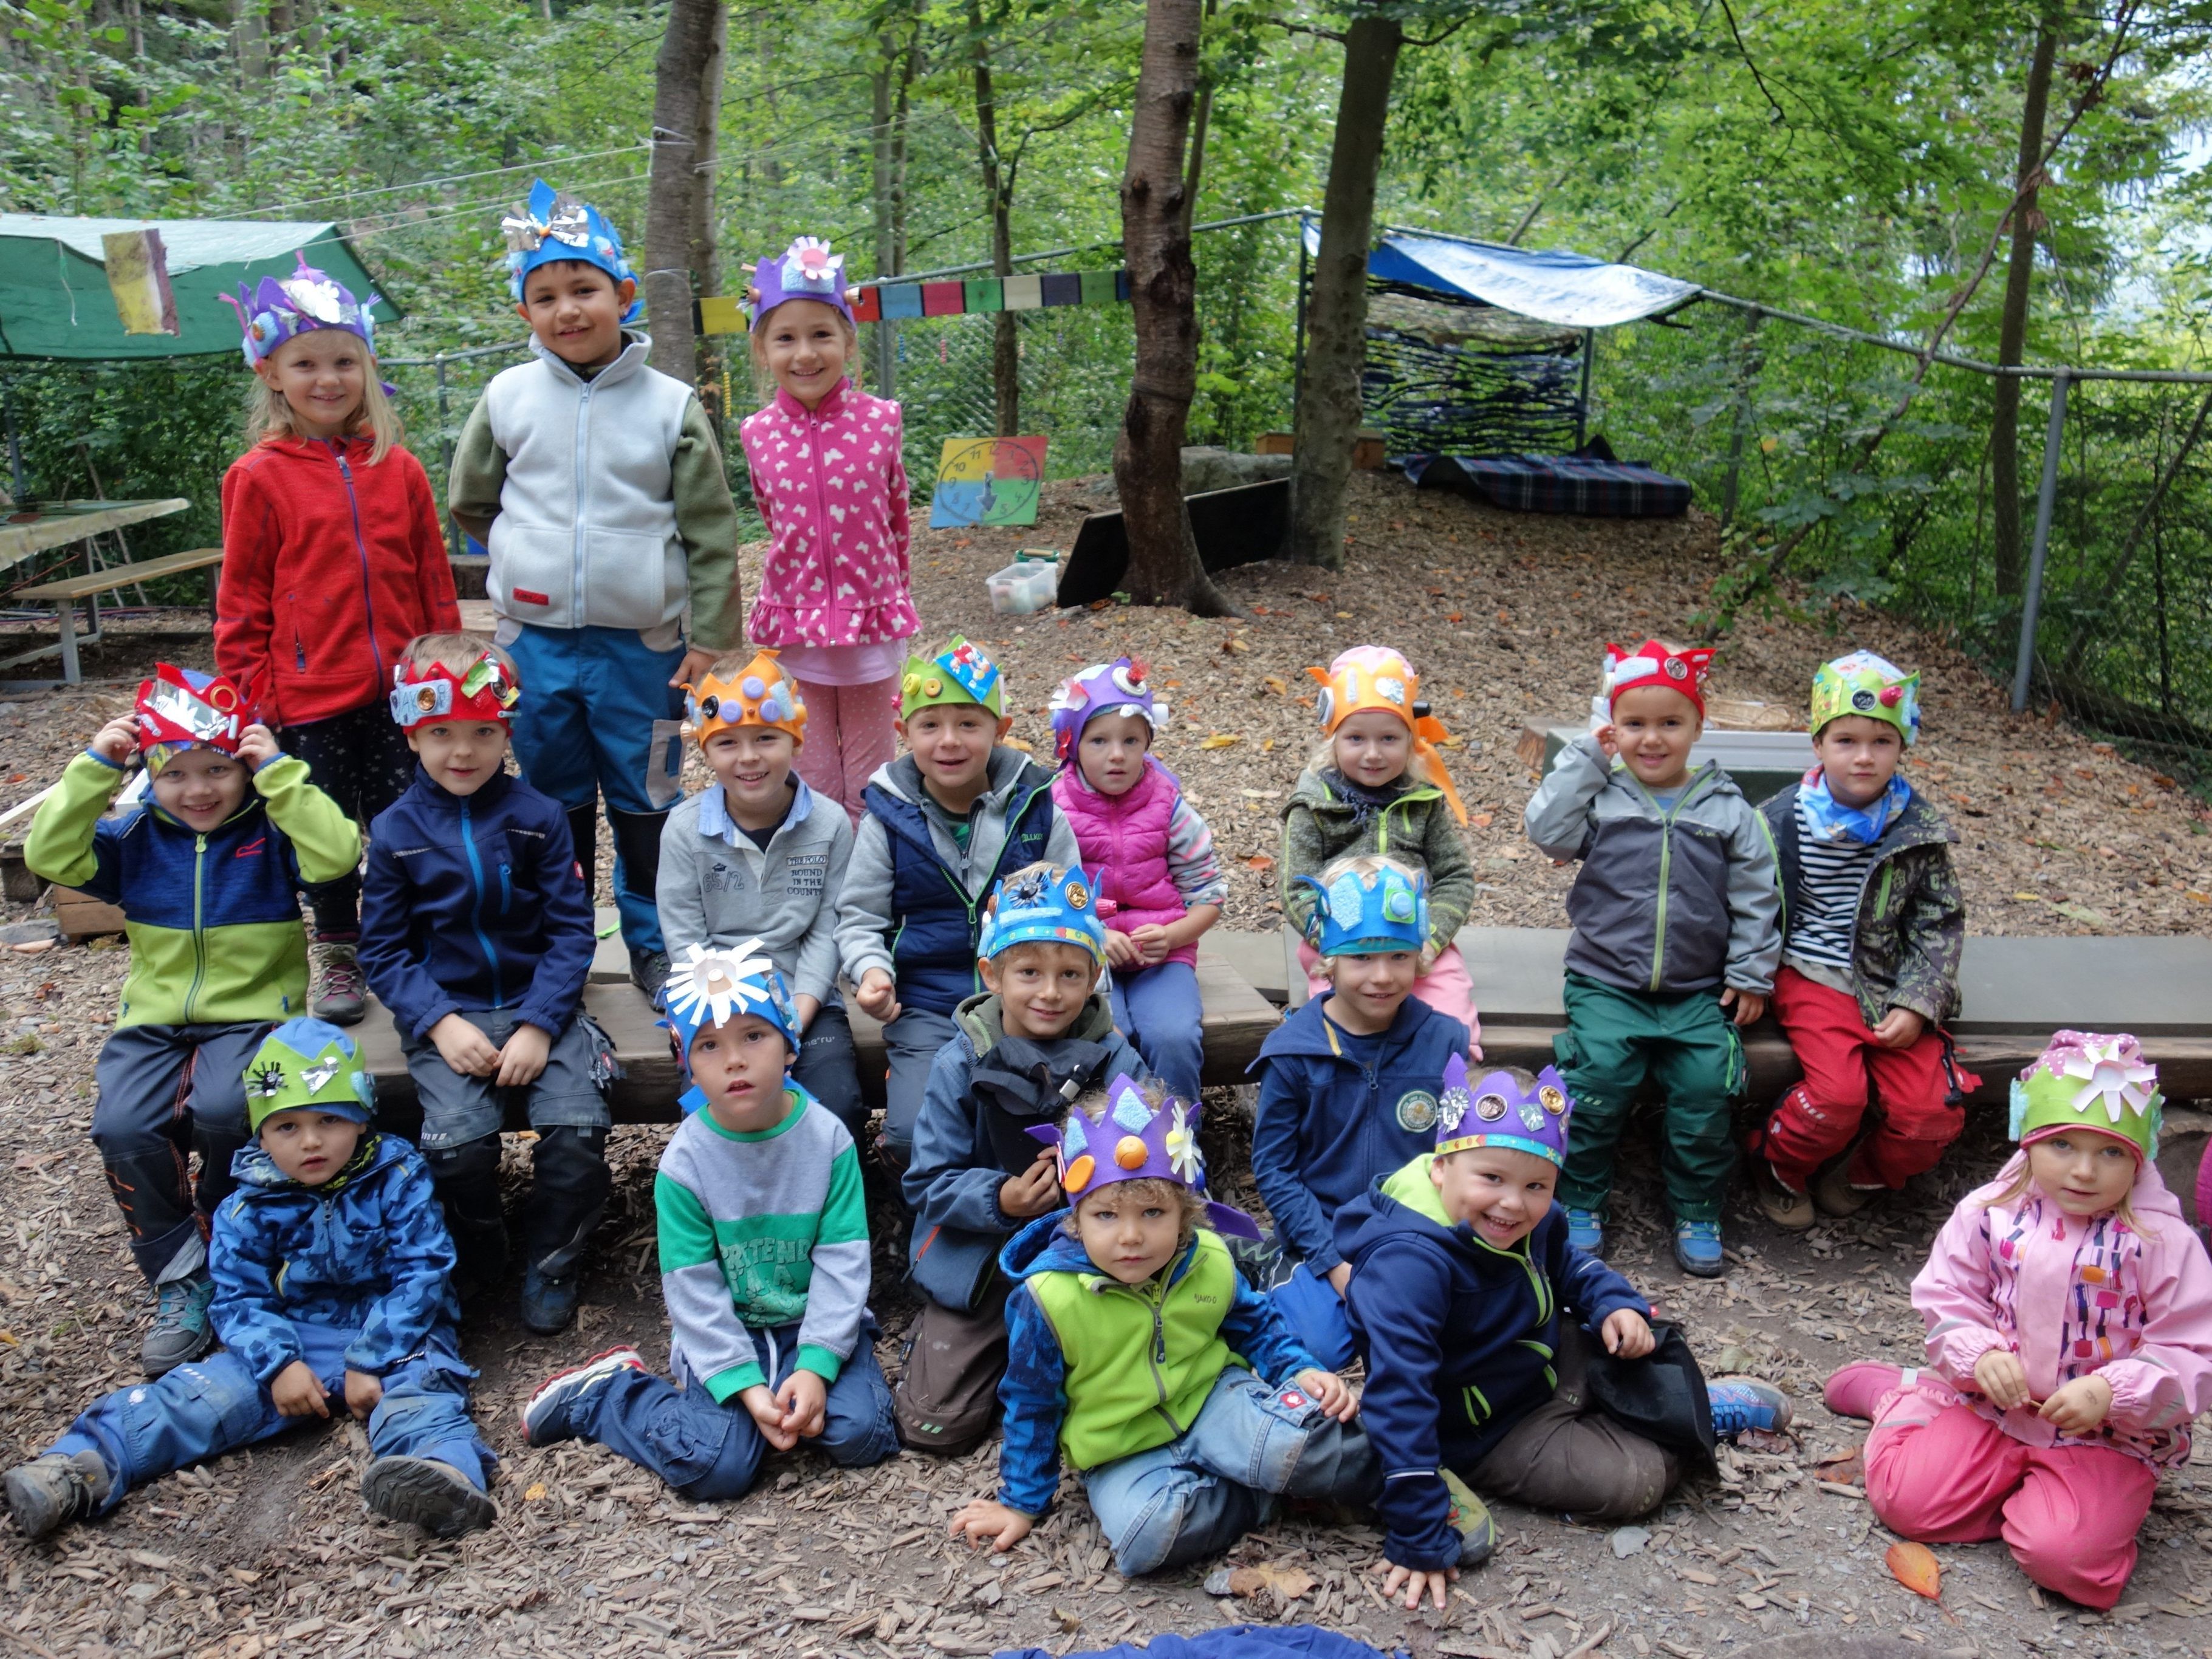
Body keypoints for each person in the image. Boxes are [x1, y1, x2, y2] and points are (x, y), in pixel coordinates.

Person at [4, 1019, 499, 1541]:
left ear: (360, 1118)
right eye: (287, 1126)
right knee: (198, 1400)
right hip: (296, 1333)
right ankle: (76, 1467)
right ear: (260, 1132)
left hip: (397, 1332)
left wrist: (371, 1355)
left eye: (330, 1118)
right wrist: (280, 1362)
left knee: (421, 1396)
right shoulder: (246, 1203)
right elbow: (238, 1296)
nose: (311, 1141)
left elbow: (424, 1269)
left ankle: (444, 1478)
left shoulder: (397, 1176)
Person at [1340, 1055, 1793, 1610]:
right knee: (1635, 1482)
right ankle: (1673, 1417)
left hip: (1541, 1356)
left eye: (1536, 1184)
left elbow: (1571, 1267)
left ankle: (1683, 1406)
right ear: (1440, 1168)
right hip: (1486, 1426)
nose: (1513, 1202)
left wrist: (1611, 1306)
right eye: (1491, 1178)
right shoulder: (1407, 1264)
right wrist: (1414, 1529)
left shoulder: (1534, 1216)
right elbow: (1399, 1393)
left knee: (1645, 1338)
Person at [446, 179, 742, 1001]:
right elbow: (472, 497)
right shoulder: (507, 398)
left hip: (645, 652)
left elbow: (712, 532)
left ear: (622, 293)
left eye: (583, 289)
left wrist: (710, 638)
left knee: (647, 795)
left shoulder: (669, 405)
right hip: (534, 649)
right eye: (544, 297)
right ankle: (560, 936)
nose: (567, 310)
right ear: (524, 313)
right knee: (549, 800)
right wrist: (524, 560)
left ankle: (651, 936)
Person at [22, 666, 360, 1375]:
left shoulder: (269, 832)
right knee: (123, 1127)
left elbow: (336, 854)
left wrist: (280, 774)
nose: (199, 790)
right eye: (176, 774)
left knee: (225, 1110)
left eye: (217, 770)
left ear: (241, 767)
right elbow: (46, 854)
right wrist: (93, 770)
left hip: (251, 1015)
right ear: (149, 773)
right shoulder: (135, 837)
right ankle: (182, 1275)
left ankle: (235, 1247)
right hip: (153, 1019)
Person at [1823, 1032, 2212, 1610]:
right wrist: (1977, 1353)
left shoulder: (2160, 1240)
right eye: (2061, 1144)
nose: (2083, 1170)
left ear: (2140, 1155)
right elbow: (1947, 1294)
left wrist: (2112, 1389)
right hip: (1994, 1406)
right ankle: (1908, 1398)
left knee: (2068, 1561)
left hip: (2104, 1435)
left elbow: (2191, 1346)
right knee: (1905, 1503)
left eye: (2109, 1152)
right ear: (2027, 1138)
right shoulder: (1990, 1213)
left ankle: (2069, 1498)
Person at [949, 1075, 1380, 1576]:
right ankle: (1260, 1497)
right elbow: (1032, 1402)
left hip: (1213, 1399)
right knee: (1146, 1537)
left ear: (1185, 1211)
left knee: (1298, 1444)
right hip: (1120, 1446)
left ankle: (1403, 1474)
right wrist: (1021, 1502)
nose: (1130, 1235)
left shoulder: (1211, 1259)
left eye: (1153, 1211)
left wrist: (1299, 1369)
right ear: (1075, 1217)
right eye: (1106, 1214)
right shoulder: (1046, 1299)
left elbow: (1256, 1326)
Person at [519, 942, 897, 1495]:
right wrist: (745, 1387)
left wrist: (815, 1368)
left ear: (789, 1044)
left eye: (754, 1036)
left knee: (864, 1434)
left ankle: (799, 1388)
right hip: (729, 1330)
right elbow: (693, 1288)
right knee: (716, 1466)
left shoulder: (827, 1141)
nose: (735, 1060)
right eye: (709, 1045)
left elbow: (843, 1262)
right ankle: (609, 1394)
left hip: (810, 1323)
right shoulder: (686, 1164)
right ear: (688, 1063)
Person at [214, 254, 461, 1025]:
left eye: (344, 360)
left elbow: (431, 579)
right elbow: (243, 596)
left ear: (367, 366)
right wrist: (253, 698)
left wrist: (447, 664)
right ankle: (341, 948)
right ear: (273, 374)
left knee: (407, 818)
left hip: (402, 693)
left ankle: (414, 937)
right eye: (307, 363)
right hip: (307, 695)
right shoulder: (258, 476)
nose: (328, 378)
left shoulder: (401, 468)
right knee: (324, 836)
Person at [357, 634, 609, 1336]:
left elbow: (570, 930)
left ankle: (554, 1252)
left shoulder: (539, 817)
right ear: (411, 733)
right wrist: (437, 1020)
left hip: (543, 1009)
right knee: (456, 1147)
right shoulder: (393, 831)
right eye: (440, 733)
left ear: (506, 729)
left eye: (481, 732)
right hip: (451, 1014)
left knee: (576, 1131)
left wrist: (540, 1021)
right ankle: (481, 1241)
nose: (460, 751)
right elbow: (382, 947)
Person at [1522, 640, 1781, 1276]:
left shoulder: (1726, 810)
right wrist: (1586, 753)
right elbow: (1546, 832)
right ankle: (1578, 1200)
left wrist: (1750, 973)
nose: (1651, 739)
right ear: (1613, 727)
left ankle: (1696, 1206)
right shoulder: (1603, 799)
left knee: (1702, 1091)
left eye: (1670, 722)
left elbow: (1756, 895)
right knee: (1597, 1081)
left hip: (1696, 989)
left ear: (1698, 726)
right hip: (1606, 981)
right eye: (1633, 724)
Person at [897, 863, 1152, 1455]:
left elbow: (1156, 1161)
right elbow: (928, 1180)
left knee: (1122, 1412)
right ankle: (963, 1338)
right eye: (1028, 971)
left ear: (1093, 976)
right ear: (991, 973)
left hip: (1092, 1256)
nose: (1049, 992)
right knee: (933, 1425)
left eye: (1069, 973)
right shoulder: (958, 1062)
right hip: (983, 1258)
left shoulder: (1116, 1060)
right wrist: (1000, 1198)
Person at [1745, 651, 1979, 1228]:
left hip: (1889, 978)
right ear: (1818, 744)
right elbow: (1745, 902)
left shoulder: (1916, 830)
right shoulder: (1778, 820)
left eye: (1881, 741)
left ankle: (1858, 1172)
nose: (1863, 756)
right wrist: (1746, 975)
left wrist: (1917, 999)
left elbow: (1939, 919)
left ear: (1902, 747)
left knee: (1930, 1112)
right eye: (1846, 740)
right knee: (1836, 1098)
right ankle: (1778, 1166)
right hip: (1811, 976)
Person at [835, 636, 1082, 1172]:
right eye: (930, 725)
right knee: (910, 1136)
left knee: (1046, 1128)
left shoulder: (1039, 812)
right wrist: (871, 970)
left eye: (968, 724)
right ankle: (939, 1215)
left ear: (1000, 730)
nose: (948, 741)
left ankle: (1017, 1212)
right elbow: (858, 916)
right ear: (904, 735)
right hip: (926, 1005)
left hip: (1027, 1003)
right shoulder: (888, 820)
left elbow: (1074, 914)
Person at [1249, 854, 1469, 1370]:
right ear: (1329, 960)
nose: (1382, 976)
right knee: (1320, 1347)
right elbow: (1275, 1169)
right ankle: (1270, 1268)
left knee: (1457, 1336)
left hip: (1417, 1228)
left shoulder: (1445, 1043)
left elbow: (1463, 1151)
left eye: (1398, 956)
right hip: (1323, 1231)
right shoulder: (1292, 1053)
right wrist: (1331, 1262)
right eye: (1361, 959)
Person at [737, 236, 919, 823]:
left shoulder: (880, 422)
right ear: (762, 350)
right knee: (808, 775)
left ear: (847, 340)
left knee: (870, 779)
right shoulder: (756, 434)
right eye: (785, 338)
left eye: (821, 334)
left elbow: (897, 518)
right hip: (796, 630)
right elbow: (773, 517)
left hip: (870, 624)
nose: (805, 353)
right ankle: (818, 895)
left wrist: (889, 595)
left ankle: (870, 897)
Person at [657, 648, 862, 1137]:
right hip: (716, 1007)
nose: (748, 758)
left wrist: (798, 1011)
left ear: (794, 738)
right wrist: (729, 1019)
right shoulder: (684, 831)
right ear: (705, 749)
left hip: (805, 998)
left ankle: (825, 1203)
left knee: (839, 1105)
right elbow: (685, 935)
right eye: (727, 743)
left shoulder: (830, 823)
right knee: (719, 1114)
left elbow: (828, 929)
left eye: (766, 738)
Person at [1047, 657, 1225, 1101]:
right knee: (1110, 1035)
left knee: (1172, 1037)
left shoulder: (1168, 805)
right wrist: (1092, 933)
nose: (1116, 754)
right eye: (1099, 740)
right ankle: (1102, 1148)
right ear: (1071, 745)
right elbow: (1038, 889)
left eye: (1131, 740)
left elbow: (1209, 894)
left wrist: (1172, 933)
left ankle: (1178, 1144)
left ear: (1148, 741)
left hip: (1161, 958)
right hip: (1080, 956)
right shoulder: (1052, 807)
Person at [1281, 645, 1479, 1039]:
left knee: (1450, 1028)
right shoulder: (1314, 803)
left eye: (1388, 738)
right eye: (1355, 738)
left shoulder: (1421, 800)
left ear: (1410, 741)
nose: (1372, 754)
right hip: (1343, 943)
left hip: (1415, 941)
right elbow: (1295, 887)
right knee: (1346, 1027)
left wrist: (1430, 937)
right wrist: (1333, 939)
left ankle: (1450, 1085)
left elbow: (1455, 876)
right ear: (1333, 739)